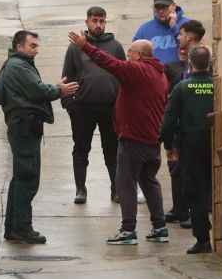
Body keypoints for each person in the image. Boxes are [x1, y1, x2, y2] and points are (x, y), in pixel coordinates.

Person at [69, 31, 170, 246]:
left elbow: (110, 63)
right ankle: (160, 227)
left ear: (140, 55)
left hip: (134, 139)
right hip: (152, 140)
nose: (128, 56)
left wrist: (85, 46)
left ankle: (128, 230)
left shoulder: (137, 70)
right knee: (150, 181)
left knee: (125, 183)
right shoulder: (160, 75)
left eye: (131, 52)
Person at [0, 30, 79, 244]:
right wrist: (60, 90)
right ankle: (22, 228)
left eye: (37, 46)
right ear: (19, 46)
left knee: (21, 177)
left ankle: (13, 227)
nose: (36, 50)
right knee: (27, 178)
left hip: (23, 126)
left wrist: (56, 89)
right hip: (24, 127)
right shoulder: (18, 66)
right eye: (32, 46)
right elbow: (38, 90)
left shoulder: (16, 64)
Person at [62, 6, 126, 205]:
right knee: (81, 149)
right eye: (95, 21)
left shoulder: (115, 46)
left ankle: (116, 189)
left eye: (102, 21)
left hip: (110, 108)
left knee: (113, 150)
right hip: (82, 108)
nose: (98, 24)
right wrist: (69, 105)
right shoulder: (75, 48)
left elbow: (125, 76)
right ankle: (81, 189)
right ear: (87, 22)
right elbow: (66, 78)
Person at [161, 46, 216, 254]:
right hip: (214, 141)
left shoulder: (182, 88)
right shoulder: (217, 86)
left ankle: (203, 239)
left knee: (195, 192)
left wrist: (168, 145)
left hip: (190, 145)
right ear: (210, 64)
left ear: (190, 64)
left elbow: (168, 120)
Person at [133, 0, 190, 64]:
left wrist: (174, 27)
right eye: (157, 7)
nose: (160, 11)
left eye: (164, 7)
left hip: (181, 73)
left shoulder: (188, 24)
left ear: (173, 6)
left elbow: (195, 48)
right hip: (154, 74)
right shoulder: (144, 29)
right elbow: (134, 56)